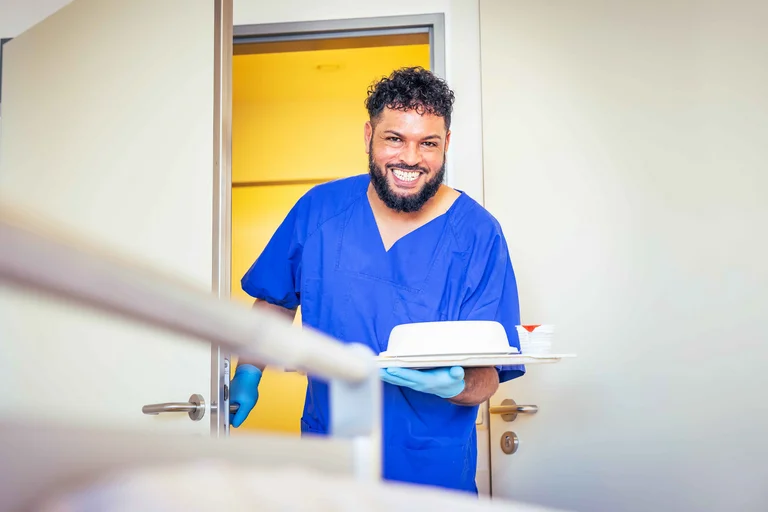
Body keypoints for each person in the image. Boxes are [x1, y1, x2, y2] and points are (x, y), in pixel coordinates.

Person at [229, 66, 525, 494]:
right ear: (369, 136)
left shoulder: (478, 235)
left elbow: (490, 375)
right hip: (333, 457)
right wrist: (249, 370)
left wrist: (453, 383)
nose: (410, 158)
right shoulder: (319, 210)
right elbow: (277, 296)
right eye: (394, 138)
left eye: (428, 143)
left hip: (431, 474)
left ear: (446, 145)